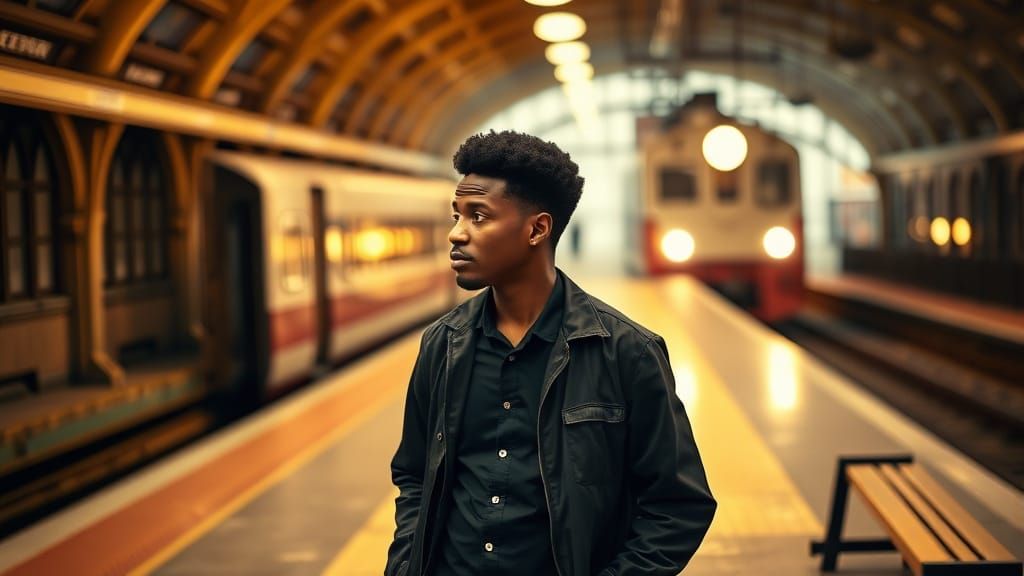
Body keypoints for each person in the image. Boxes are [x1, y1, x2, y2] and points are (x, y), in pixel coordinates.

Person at [386, 130, 715, 576]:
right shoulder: (442, 345)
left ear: (537, 229)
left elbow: (678, 506)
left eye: (479, 217)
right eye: (456, 215)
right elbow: (413, 476)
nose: (456, 234)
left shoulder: (627, 352)